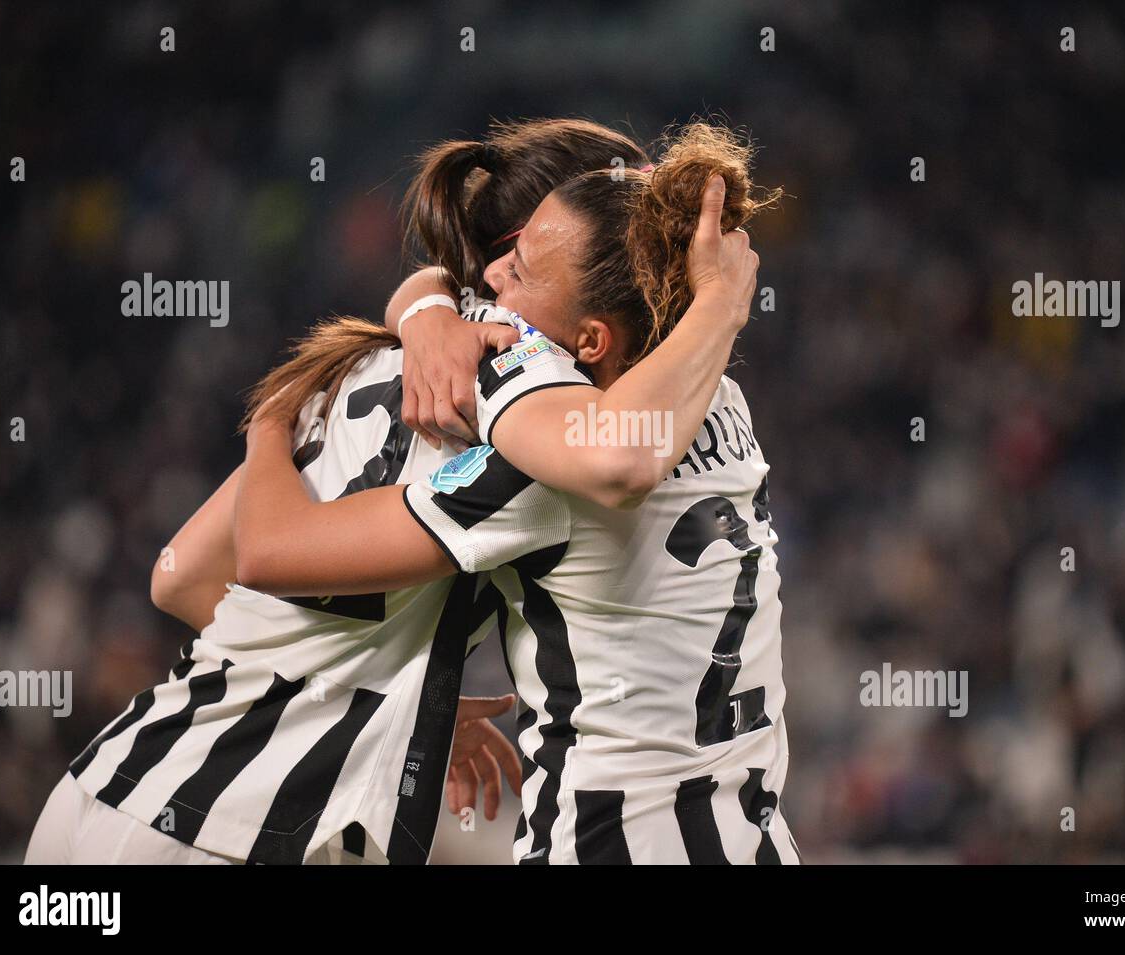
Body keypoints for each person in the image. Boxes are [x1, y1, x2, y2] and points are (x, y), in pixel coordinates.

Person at [25, 119, 753, 864]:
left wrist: (396, 690)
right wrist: (719, 305)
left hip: (108, 785)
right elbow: (617, 456)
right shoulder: (526, 416)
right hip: (232, 829)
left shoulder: (375, 357)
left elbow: (179, 573)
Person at [237, 122, 799, 863]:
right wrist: (428, 308)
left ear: (590, 339)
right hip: (754, 839)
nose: (491, 288)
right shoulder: (716, 392)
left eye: (520, 269)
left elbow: (266, 551)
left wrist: (271, 418)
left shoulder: (535, 421)